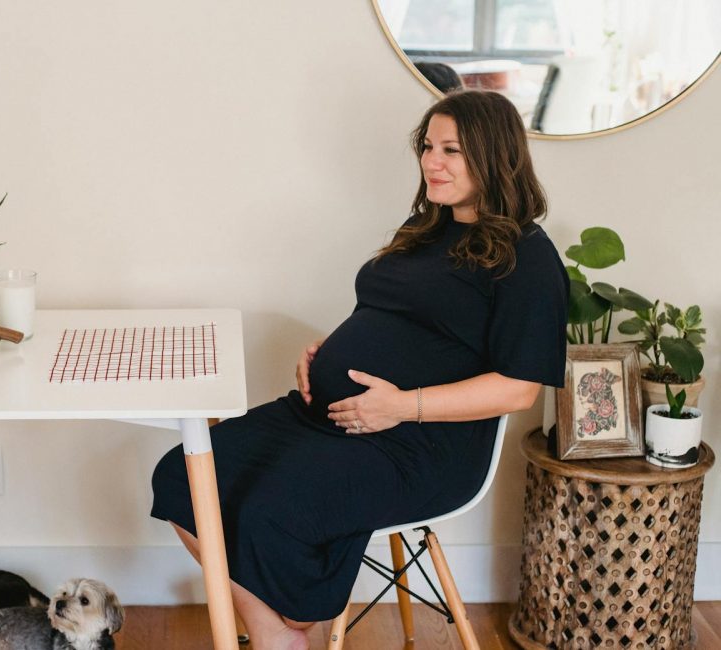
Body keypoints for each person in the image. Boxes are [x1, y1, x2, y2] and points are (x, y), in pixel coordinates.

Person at [150, 90, 568, 650]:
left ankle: (287, 630)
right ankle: (280, 633)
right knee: (184, 472)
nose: (431, 163)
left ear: (495, 155)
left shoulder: (527, 259)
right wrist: (329, 349)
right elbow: (393, 315)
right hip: (326, 416)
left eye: (452, 150)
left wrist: (400, 405)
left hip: (418, 445)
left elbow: (519, 389)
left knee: (269, 505)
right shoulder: (427, 227)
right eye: (427, 147)